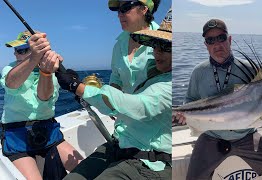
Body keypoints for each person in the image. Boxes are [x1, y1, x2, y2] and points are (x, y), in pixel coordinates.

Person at [56, 9, 172, 180]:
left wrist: (77, 87)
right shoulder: (152, 69)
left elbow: (139, 106)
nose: (157, 52)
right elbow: (117, 85)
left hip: (149, 161)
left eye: (167, 46)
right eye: (155, 44)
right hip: (121, 142)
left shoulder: (171, 83)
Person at [172, 19, 262, 180]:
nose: (217, 44)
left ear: (229, 40)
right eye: (210, 40)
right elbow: (190, 100)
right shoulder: (198, 72)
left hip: (247, 136)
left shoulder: (251, 70)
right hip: (212, 136)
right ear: (205, 45)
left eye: (221, 38)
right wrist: (182, 116)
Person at [0, 31, 83, 180]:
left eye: (22, 50)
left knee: (85, 169)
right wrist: (33, 59)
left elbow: (44, 98)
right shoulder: (10, 69)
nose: (16, 54)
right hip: (17, 135)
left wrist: (45, 72)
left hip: (49, 130)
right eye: (16, 50)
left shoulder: (51, 71)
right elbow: (11, 84)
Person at [108, 0, 161, 93]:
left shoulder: (165, 41)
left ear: (144, 9)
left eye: (125, 8)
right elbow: (116, 78)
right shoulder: (119, 45)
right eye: (118, 10)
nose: (119, 15)